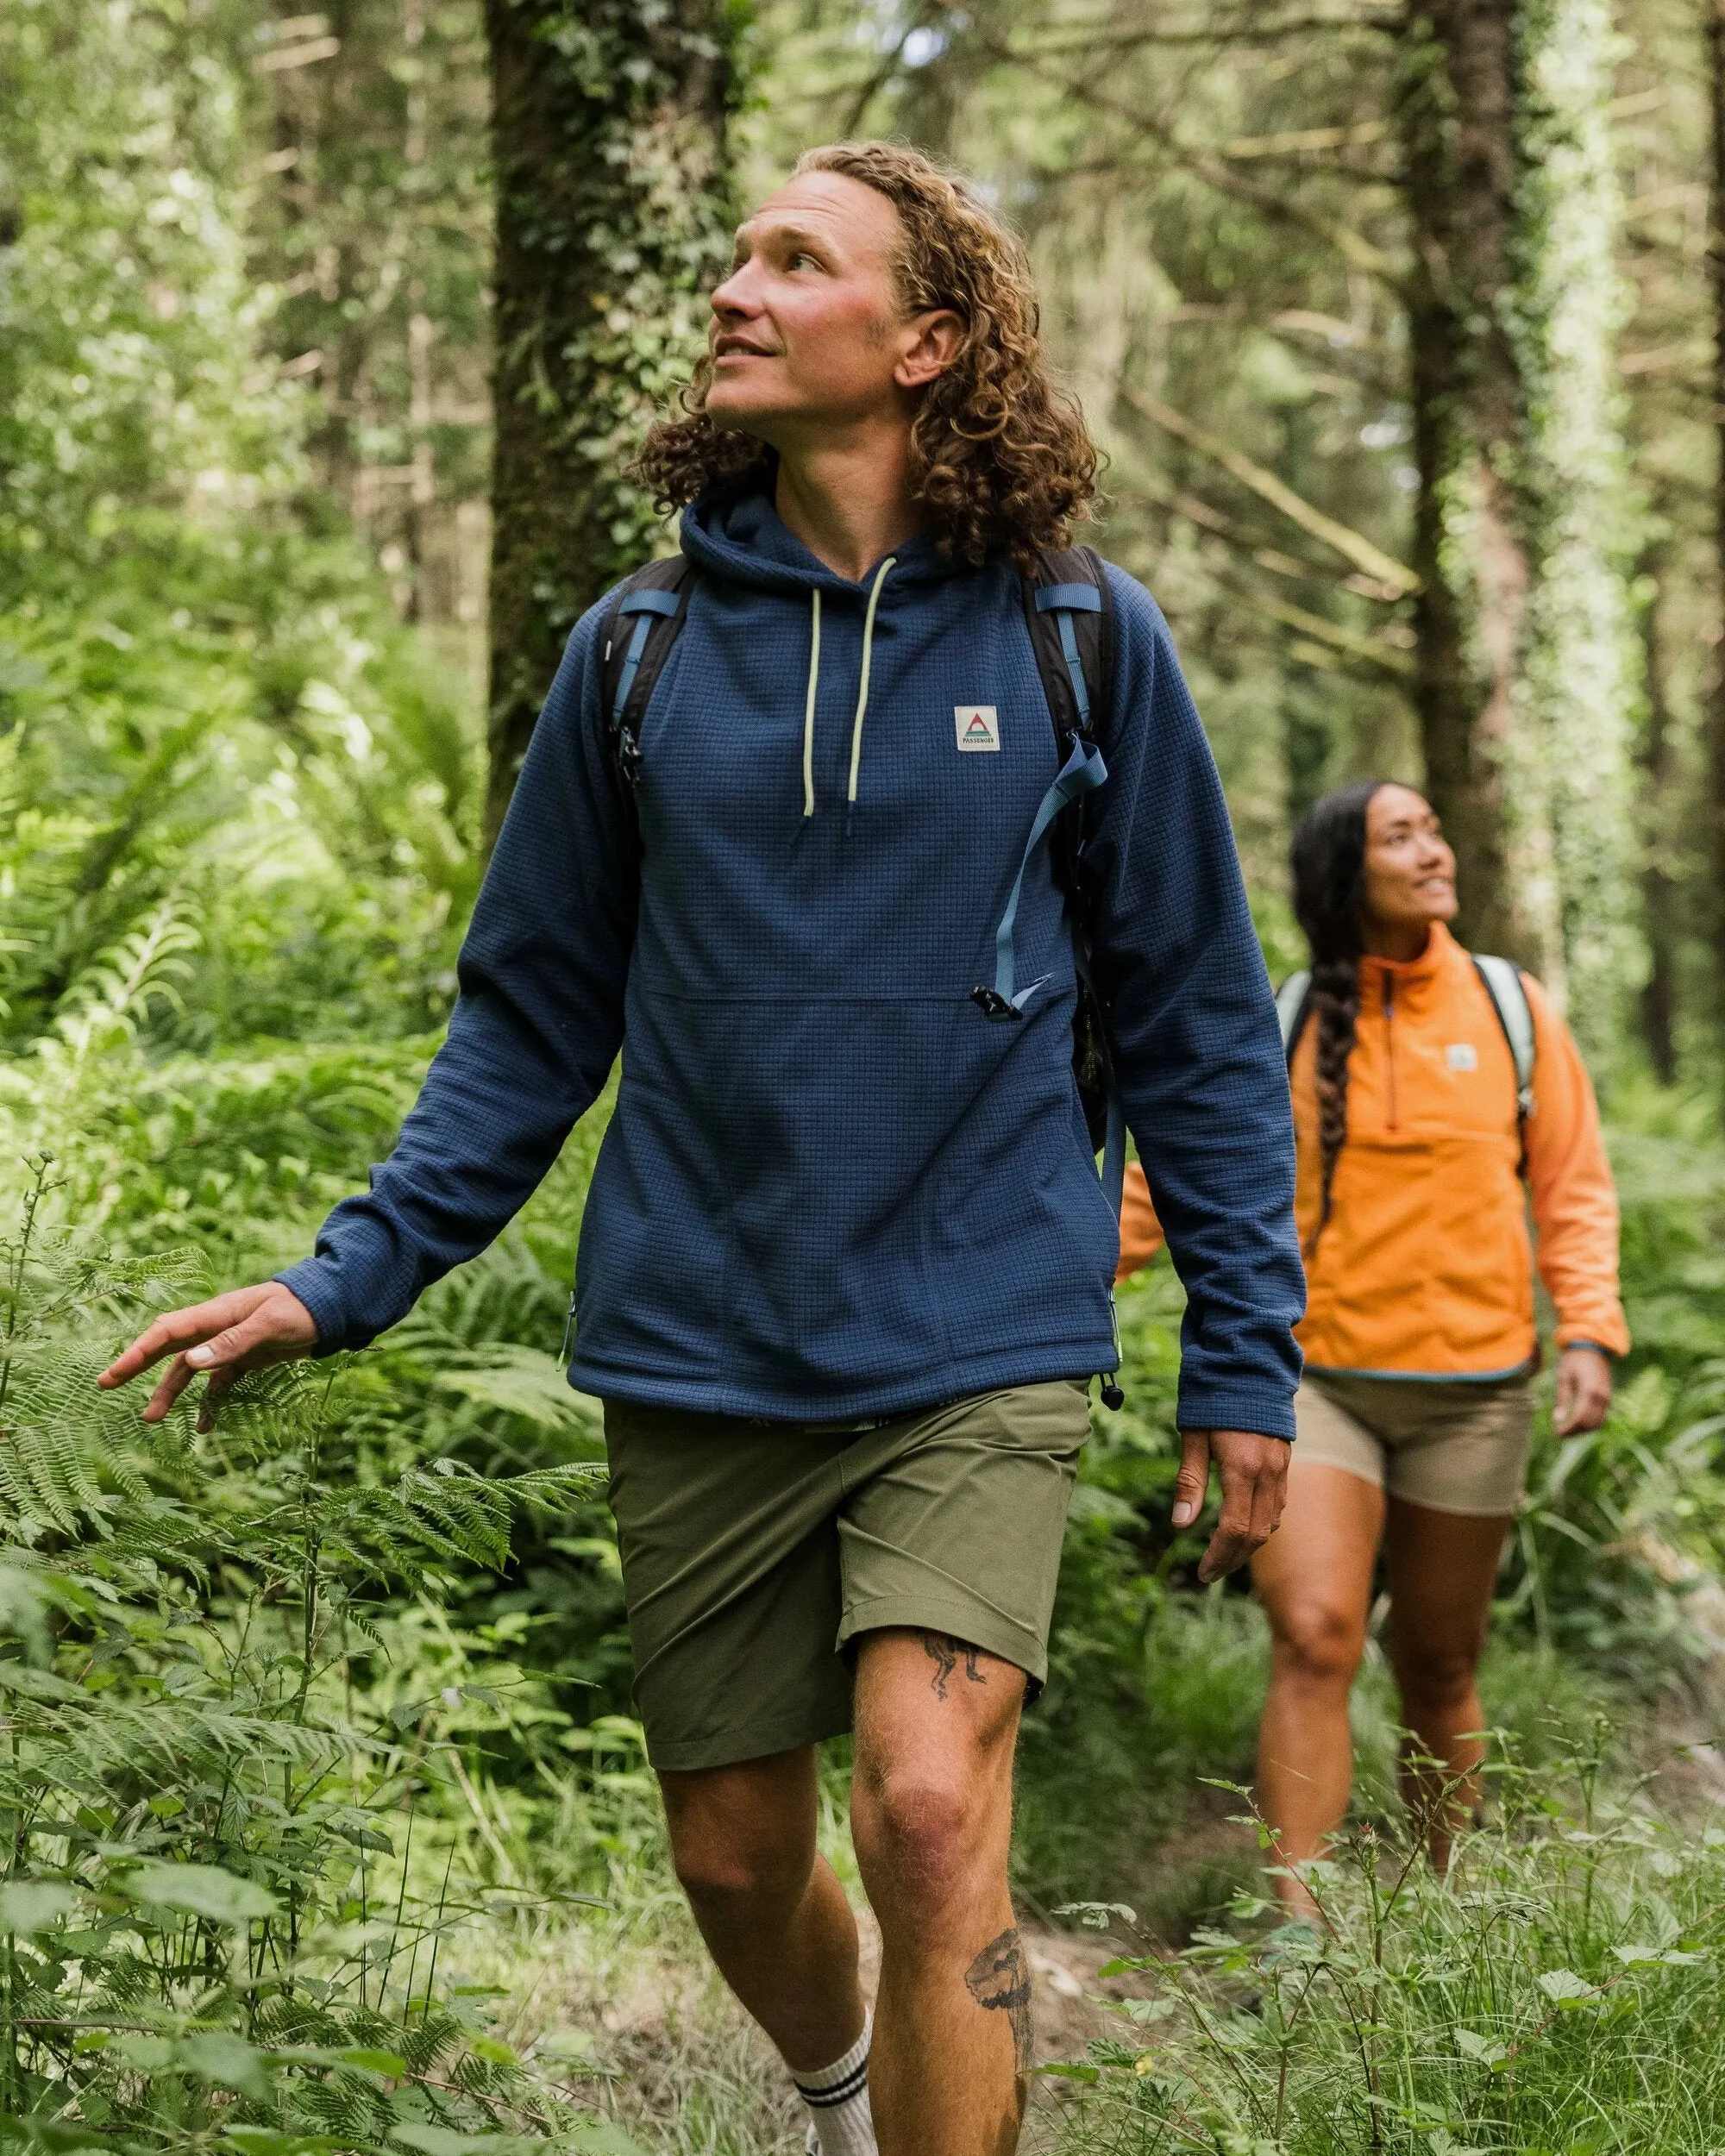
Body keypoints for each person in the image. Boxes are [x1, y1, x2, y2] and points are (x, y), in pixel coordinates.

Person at [99, 143, 1305, 2154]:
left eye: (792, 260)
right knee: (741, 1857)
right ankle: (838, 2091)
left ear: (924, 340)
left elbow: (1194, 1016)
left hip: (980, 1317)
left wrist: (1242, 1356)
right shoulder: (638, 655)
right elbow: (531, 1010)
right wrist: (347, 1271)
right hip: (700, 1325)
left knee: (928, 1810)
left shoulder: (1082, 642)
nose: (734, 288)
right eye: (736, 256)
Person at [1117, 778, 1627, 1906]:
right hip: (1320, 1386)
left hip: (1476, 1392)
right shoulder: (1288, 1019)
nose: (1434, 849)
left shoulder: (1510, 1009)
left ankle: (1448, 1914)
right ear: (1350, 873)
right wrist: (1051, 1280)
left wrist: (1588, 1326)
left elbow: (1574, 1188)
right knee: (1314, 1636)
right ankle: (1297, 1928)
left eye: (1435, 830)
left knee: (1442, 1665)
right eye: (1404, 836)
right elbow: (1182, 1181)